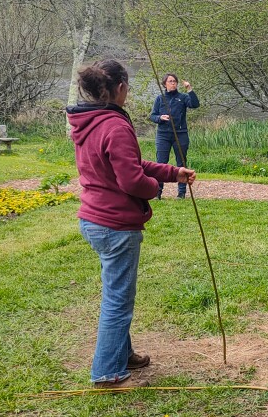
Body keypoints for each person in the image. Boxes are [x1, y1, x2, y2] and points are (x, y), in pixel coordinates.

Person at [67, 59, 195, 387]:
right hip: (115, 225)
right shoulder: (115, 125)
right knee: (118, 299)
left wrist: (171, 172)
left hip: (94, 219)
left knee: (117, 292)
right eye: (128, 87)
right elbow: (132, 180)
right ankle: (107, 372)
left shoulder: (88, 120)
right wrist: (154, 188)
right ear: (120, 88)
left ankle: (121, 355)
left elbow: (128, 162)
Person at [149, 73, 199, 199]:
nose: (173, 83)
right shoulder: (160, 98)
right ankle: (157, 192)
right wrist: (160, 117)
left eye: (174, 81)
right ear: (165, 84)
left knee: (181, 162)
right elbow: (152, 116)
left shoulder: (182, 97)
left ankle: (181, 193)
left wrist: (190, 89)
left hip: (180, 134)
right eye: (170, 81)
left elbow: (195, 104)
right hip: (163, 135)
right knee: (161, 163)